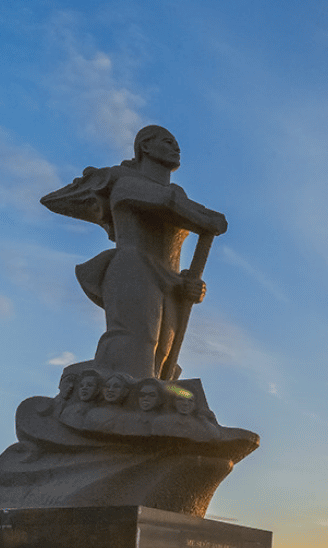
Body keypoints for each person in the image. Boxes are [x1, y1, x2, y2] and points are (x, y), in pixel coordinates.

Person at [41, 125, 228, 381]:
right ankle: (89, 387)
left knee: (162, 359)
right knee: (138, 344)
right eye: (167, 141)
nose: (176, 147)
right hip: (134, 268)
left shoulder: (178, 194)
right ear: (145, 147)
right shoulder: (128, 185)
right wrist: (208, 219)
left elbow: (195, 221)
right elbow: (169, 204)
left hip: (170, 282)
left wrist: (187, 283)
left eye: (175, 142)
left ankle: (145, 401)